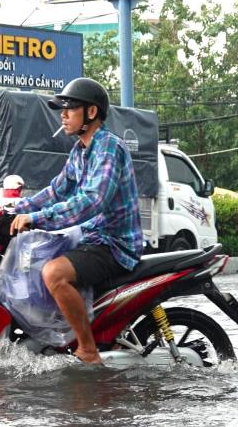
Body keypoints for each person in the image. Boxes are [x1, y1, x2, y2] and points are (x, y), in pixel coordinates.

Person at [9, 77, 143, 365]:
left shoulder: (108, 147)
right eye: (62, 109)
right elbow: (56, 190)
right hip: (90, 239)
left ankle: (87, 349)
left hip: (113, 244)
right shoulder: (80, 150)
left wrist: (36, 218)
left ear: (91, 113)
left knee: (53, 273)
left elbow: (92, 201)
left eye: (70, 108)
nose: (63, 115)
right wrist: (11, 207)